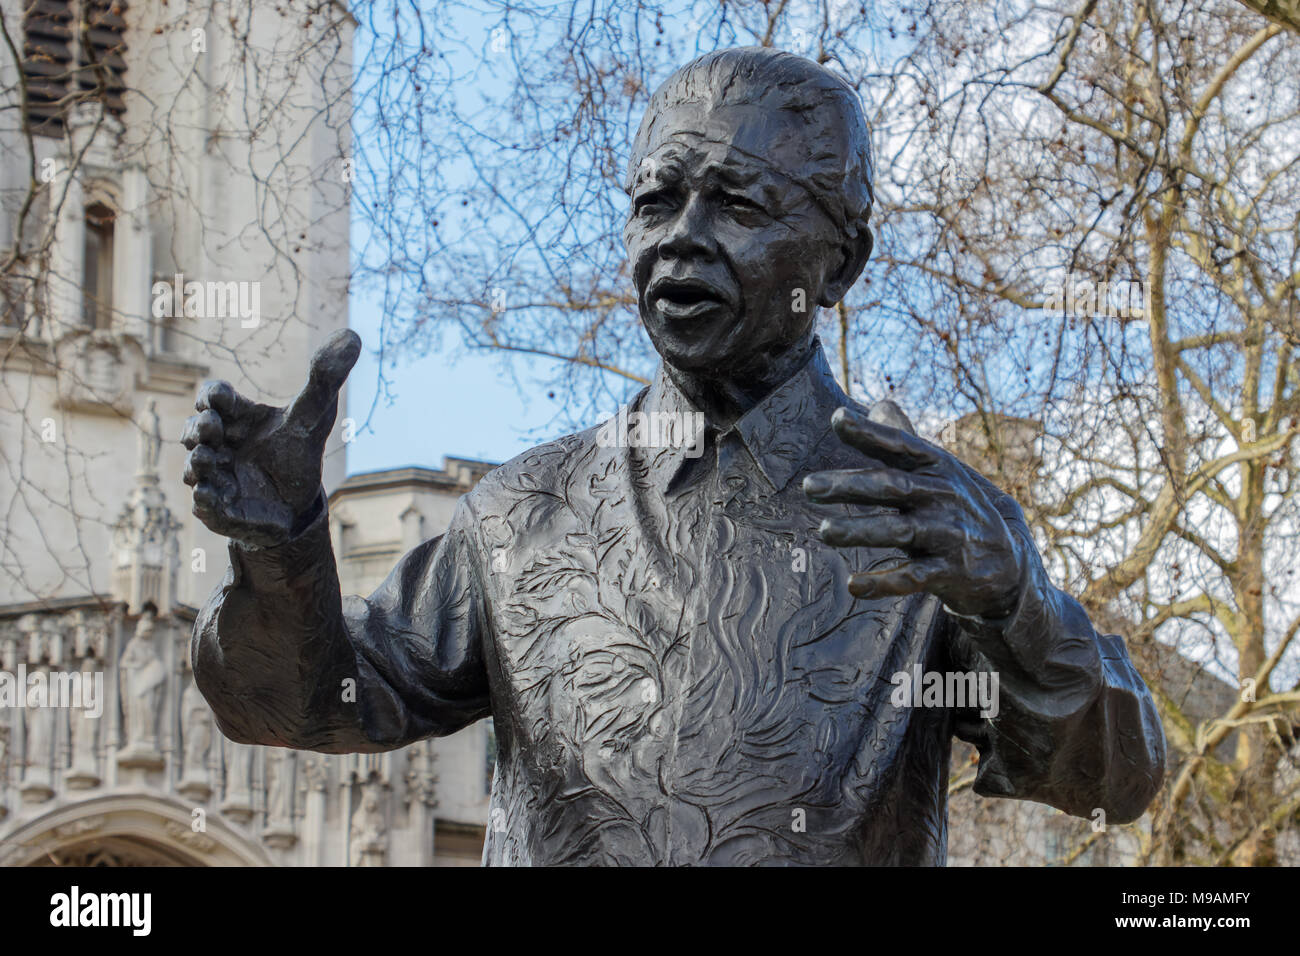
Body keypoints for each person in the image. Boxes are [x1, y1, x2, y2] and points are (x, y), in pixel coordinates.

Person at [183, 47, 1165, 865]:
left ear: (841, 263)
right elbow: (305, 704)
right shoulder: (522, 513)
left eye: (738, 207)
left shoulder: (923, 523)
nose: (682, 239)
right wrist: (281, 548)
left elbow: (1109, 777)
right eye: (656, 202)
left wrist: (1015, 608)